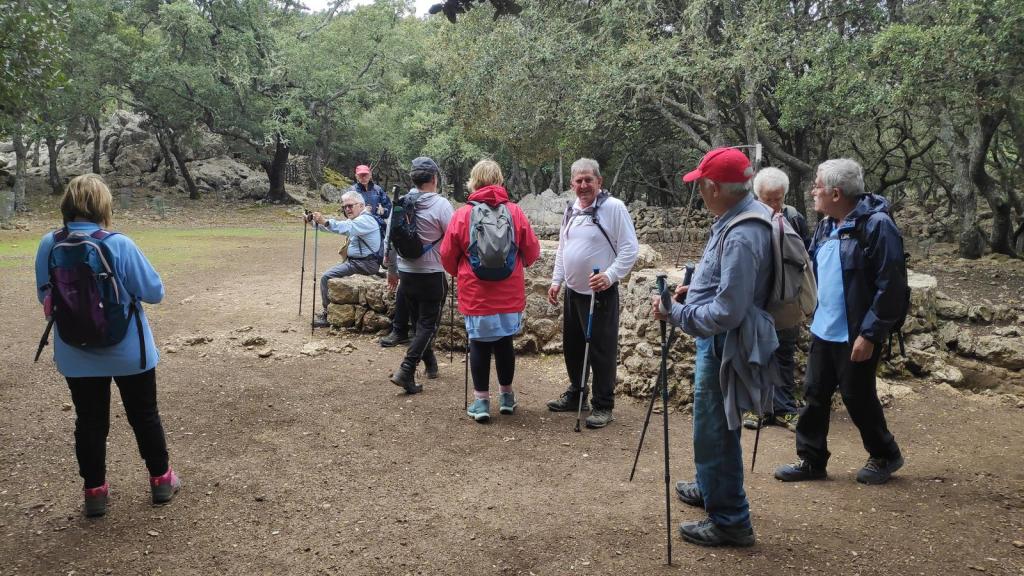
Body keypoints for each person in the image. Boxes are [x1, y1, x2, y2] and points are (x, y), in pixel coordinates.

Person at [652, 147, 777, 548]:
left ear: (714, 187)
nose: (699, 192)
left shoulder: (742, 232)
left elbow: (728, 311)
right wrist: (697, 290)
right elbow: (726, 288)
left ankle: (730, 519)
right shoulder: (737, 218)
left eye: (701, 186)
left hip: (726, 342)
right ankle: (711, 487)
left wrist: (677, 314)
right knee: (713, 424)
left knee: (716, 427)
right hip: (721, 340)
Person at [34, 174, 179, 518]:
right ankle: (161, 481)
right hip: (129, 351)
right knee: (144, 415)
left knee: (89, 420)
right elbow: (154, 292)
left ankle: (95, 492)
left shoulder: (48, 244)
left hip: (75, 353)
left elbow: (45, 295)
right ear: (103, 205)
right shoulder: (118, 244)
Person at [774, 158, 906, 486]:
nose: (812, 191)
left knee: (857, 396)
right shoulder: (826, 225)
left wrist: (871, 334)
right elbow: (810, 265)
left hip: (857, 332)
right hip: (825, 328)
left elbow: (891, 286)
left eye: (817, 186)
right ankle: (811, 460)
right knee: (814, 393)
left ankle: (885, 454)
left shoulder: (877, 226)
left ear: (835, 193)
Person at [440, 159, 541, 422]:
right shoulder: (515, 212)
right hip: (509, 293)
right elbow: (532, 251)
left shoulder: (463, 214)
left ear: (474, 181)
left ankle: (481, 403)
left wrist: (457, 270)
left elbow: (448, 255)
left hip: (476, 293)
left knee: (479, 345)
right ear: (500, 181)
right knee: (505, 342)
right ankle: (507, 398)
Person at [546, 158, 639, 429]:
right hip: (574, 291)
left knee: (601, 349)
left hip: (601, 293)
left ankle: (603, 404)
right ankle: (577, 394)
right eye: (579, 180)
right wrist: (556, 280)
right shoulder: (571, 210)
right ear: (572, 184)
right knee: (573, 347)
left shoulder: (614, 208)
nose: (584, 185)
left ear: (600, 181)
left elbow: (629, 249)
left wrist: (609, 276)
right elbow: (563, 248)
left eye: (589, 180)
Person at [742, 166, 809, 432]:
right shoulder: (747, 220)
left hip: (787, 301)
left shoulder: (794, 217)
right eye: (769, 199)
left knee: (784, 355)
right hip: (757, 301)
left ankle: (784, 409)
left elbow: (806, 255)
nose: (775, 204)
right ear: (758, 196)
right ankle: (755, 409)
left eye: (778, 198)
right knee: (755, 354)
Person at [387, 156, 455, 394]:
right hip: (431, 275)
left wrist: (392, 272)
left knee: (419, 325)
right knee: (427, 326)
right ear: (434, 178)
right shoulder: (441, 205)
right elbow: (454, 239)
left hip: (406, 274)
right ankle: (406, 369)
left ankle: (431, 365)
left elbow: (391, 240)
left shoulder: (401, 202)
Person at [309, 191, 384, 328]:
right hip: (357, 262)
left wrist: (325, 221)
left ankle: (327, 314)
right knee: (329, 275)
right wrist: (314, 223)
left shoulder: (365, 220)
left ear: (361, 205)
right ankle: (329, 311)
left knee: (326, 276)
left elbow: (345, 227)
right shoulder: (358, 220)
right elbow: (338, 228)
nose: (347, 209)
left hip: (364, 264)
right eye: (345, 207)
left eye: (350, 206)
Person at [352, 164, 392, 240]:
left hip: (377, 227)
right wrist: (362, 211)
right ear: (356, 176)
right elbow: (346, 211)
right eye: (361, 175)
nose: (363, 177)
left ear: (370, 175)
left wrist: (383, 211)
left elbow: (388, 207)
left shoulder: (378, 190)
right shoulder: (352, 191)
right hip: (359, 228)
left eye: (366, 175)